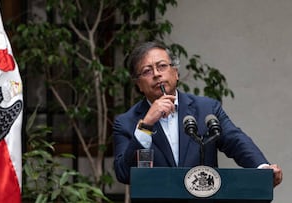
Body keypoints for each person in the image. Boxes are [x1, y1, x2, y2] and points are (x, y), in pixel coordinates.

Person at [112, 41, 283, 188]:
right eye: (147, 71)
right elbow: (123, 173)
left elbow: (235, 141)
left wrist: (262, 169)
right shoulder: (126, 122)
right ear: (138, 84)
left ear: (176, 73)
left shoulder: (206, 109)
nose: (157, 74)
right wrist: (146, 124)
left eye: (162, 66)